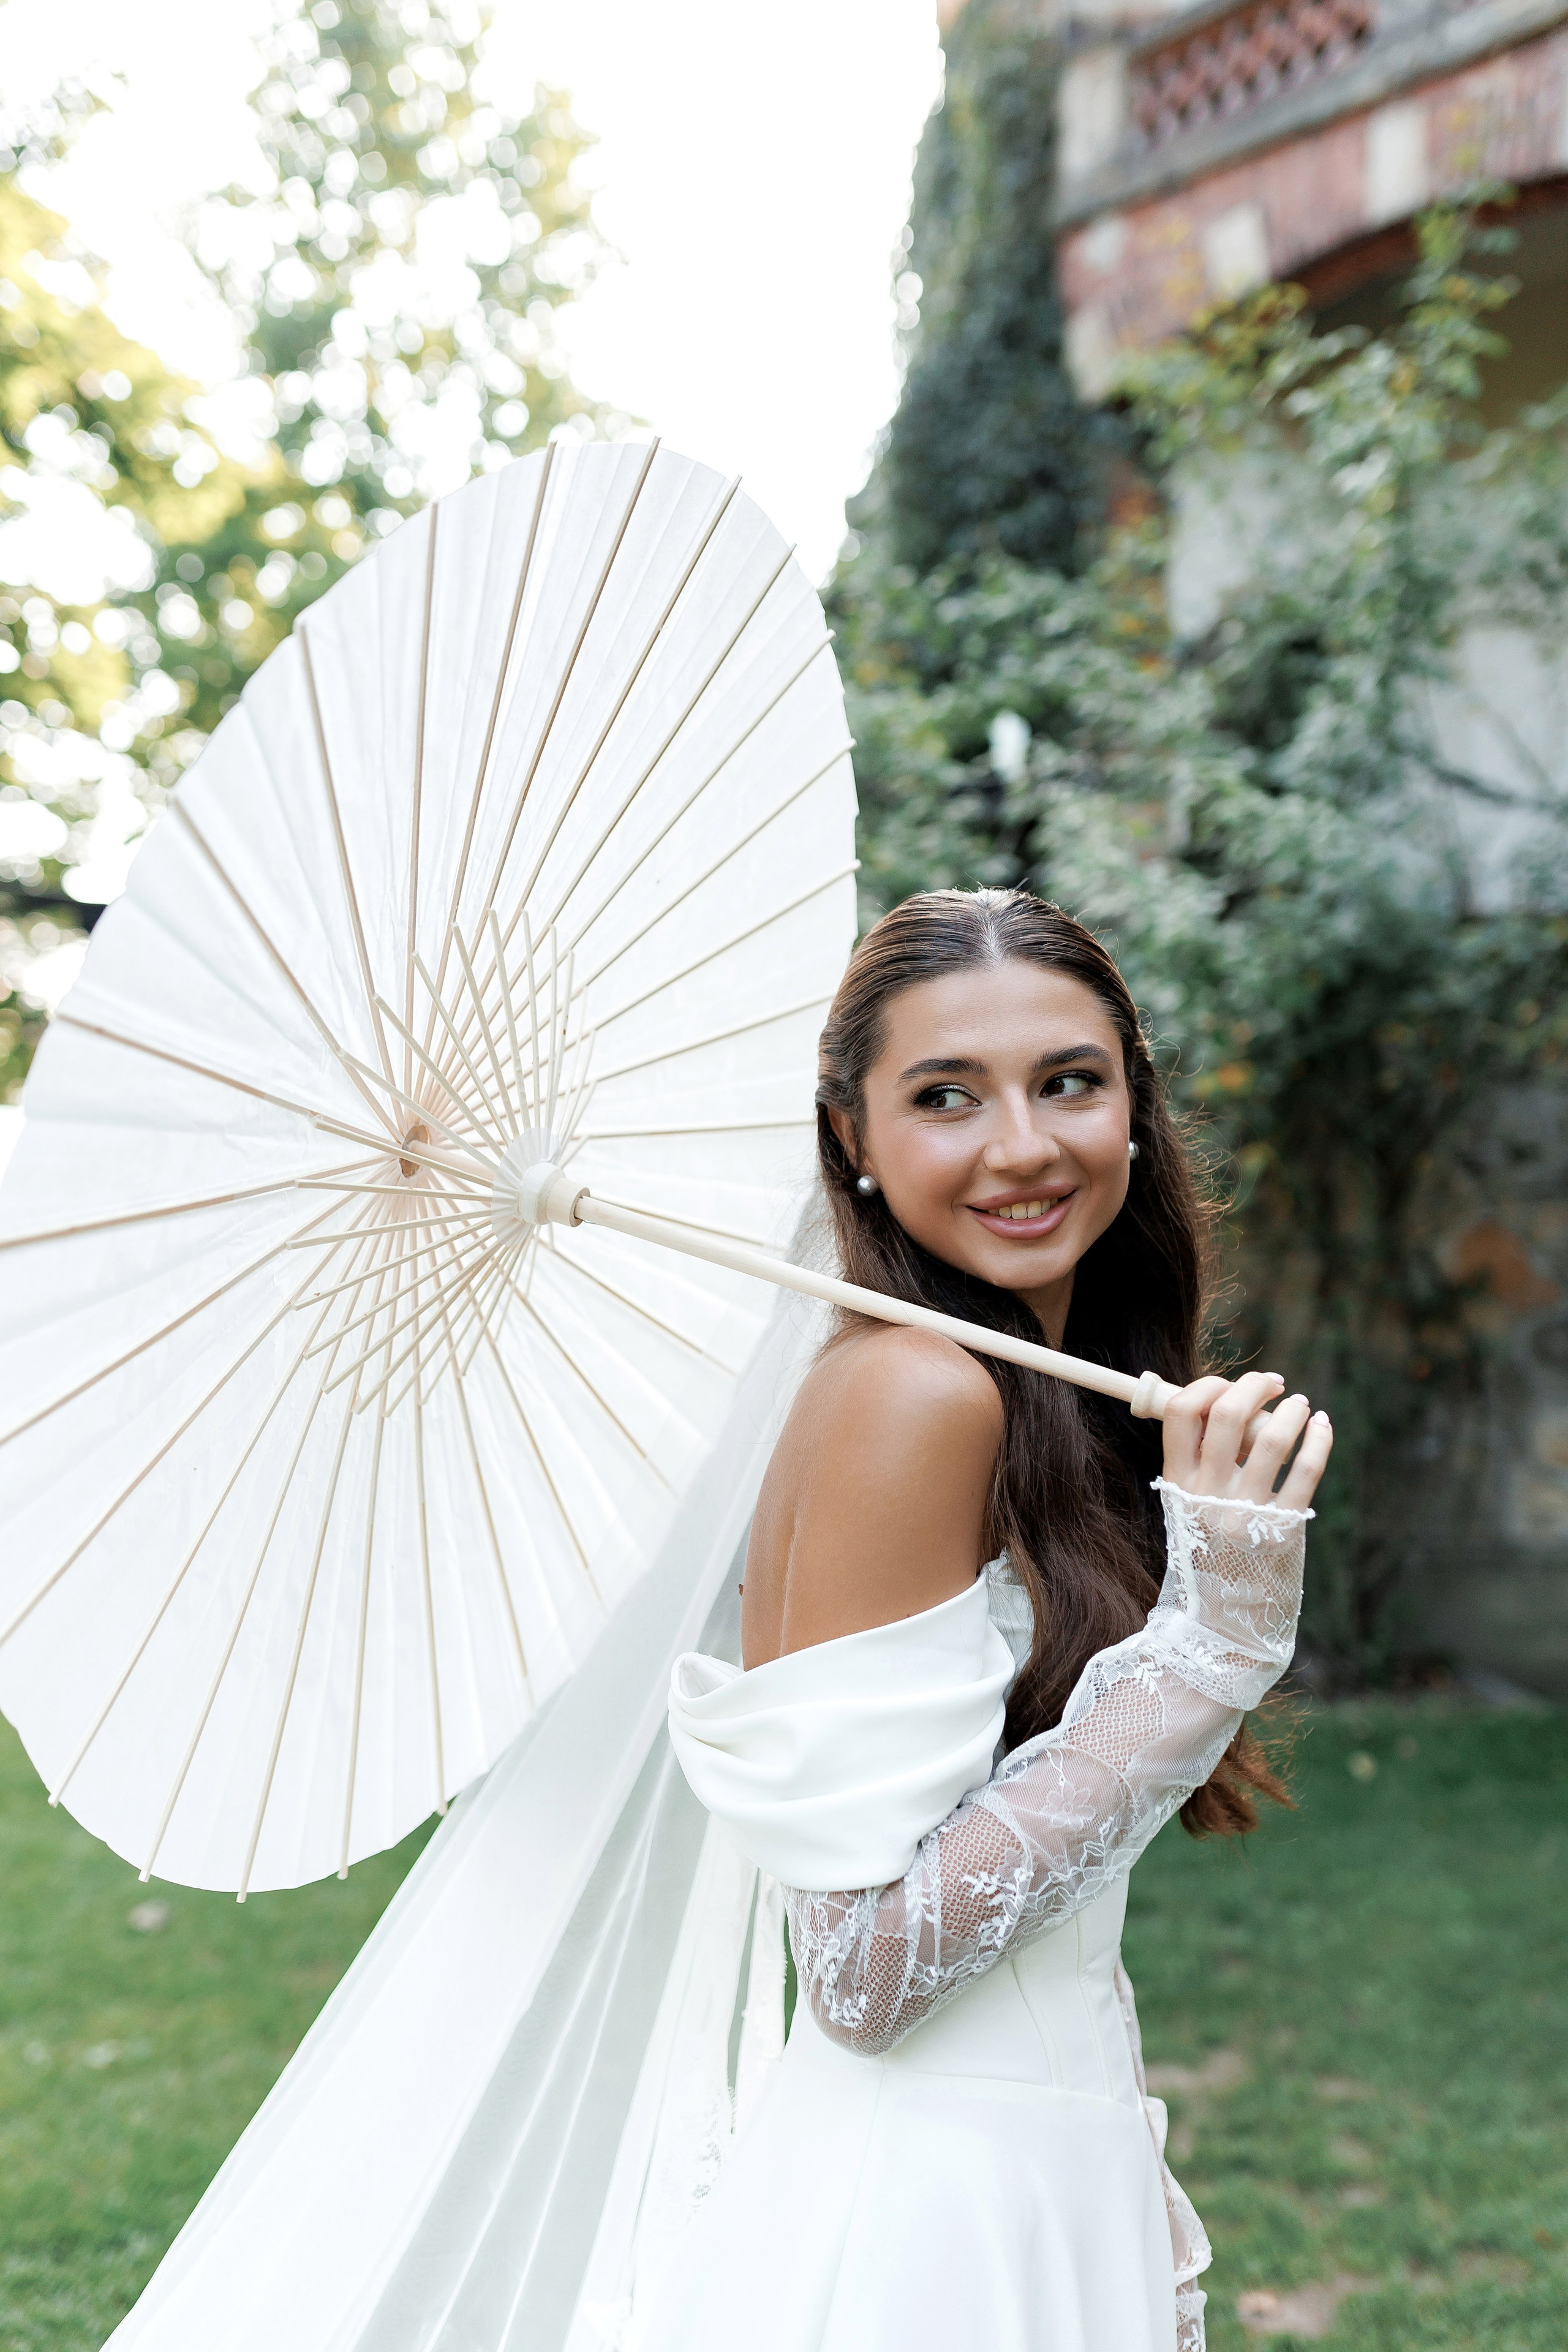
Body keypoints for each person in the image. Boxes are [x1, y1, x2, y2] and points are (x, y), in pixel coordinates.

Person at [655, 887, 1332, 2352]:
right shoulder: (916, 1392)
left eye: (1066, 1082)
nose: (1020, 1146)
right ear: (850, 1135)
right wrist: (1212, 1641)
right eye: (945, 1096)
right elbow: (860, 1969)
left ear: (1134, 1108)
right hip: (931, 2226)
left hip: (1026, 2158)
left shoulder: (1012, 1392)